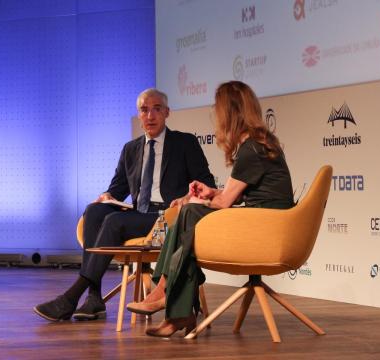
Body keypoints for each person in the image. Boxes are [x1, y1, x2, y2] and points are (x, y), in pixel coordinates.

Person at [126, 81, 294, 337]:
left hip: (267, 231)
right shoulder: (259, 143)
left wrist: (197, 201)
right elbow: (233, 196)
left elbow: (226, 203)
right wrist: (210, 193)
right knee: (190, 225)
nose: (216, 116)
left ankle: (167, 293)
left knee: (189, 214)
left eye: (218, 109)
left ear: (231, 112)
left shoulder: (252, 149)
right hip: (264, 222)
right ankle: (175, 309)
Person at [34, 88, 215, 322]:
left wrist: (186, 198)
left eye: (156, 109)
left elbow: (207, 185)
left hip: (167, 221)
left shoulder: (185, 143)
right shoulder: (130, 149)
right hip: (139, 216)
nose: (150, 115)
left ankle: (71, 297)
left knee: (115, 220)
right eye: (144, 110)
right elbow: (117, 189)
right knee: (95, 211)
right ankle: (94, 297)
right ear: (139, 115)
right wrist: (106, 196)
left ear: (167, 113)